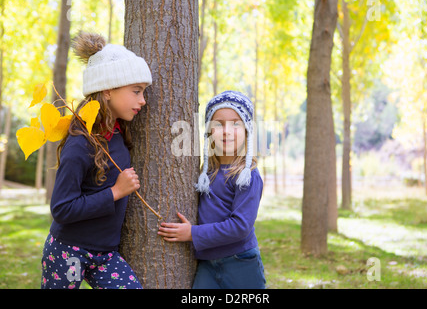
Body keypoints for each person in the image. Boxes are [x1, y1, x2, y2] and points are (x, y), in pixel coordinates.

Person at [41, 31, 152, 289]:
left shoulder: (117, 133)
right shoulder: (80, 143)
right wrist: (115, 192)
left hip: (105, 255)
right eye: (136, 91)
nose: (143, 100)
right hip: (68, 252)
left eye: (143, 92)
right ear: (108, 90)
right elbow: (61, 208)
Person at [158, 91, 266, 289]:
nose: (226, 131)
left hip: (240, 262)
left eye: (236, 123)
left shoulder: (247, 175)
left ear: (248, 130)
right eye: (218, 124)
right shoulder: (206, 172)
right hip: (207, 264)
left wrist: (193, 233)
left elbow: (241, 226)